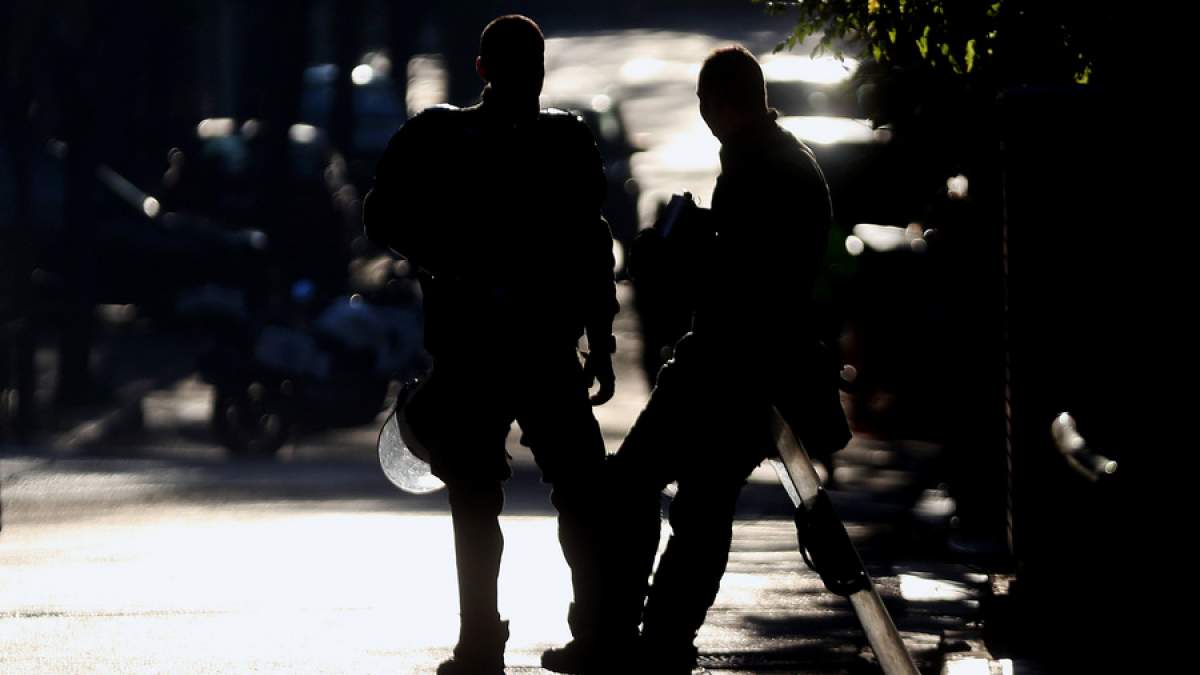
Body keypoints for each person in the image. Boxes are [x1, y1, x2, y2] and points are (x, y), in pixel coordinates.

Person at [362, 15, 619, 675]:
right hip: (544, 349)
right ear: (539, 70)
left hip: (470, 352)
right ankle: (595, 634)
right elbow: (593, 245)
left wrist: (440, 259)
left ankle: (480, 640)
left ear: (481, 69)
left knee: (476, 499)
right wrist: (601, 339)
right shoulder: (566, 141)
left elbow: (379, 214)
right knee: (580, 494)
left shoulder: (437, 136)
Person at [605, 45, 851, 673]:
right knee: (699, 505)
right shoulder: (776, 162)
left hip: (731, 365)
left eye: (703, 103)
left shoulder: (760, 168)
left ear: (718, 103)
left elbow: (744, 278)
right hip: (746, 364)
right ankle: (657, 636)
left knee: (650, 490)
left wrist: (673, 255)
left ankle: (640, 635)